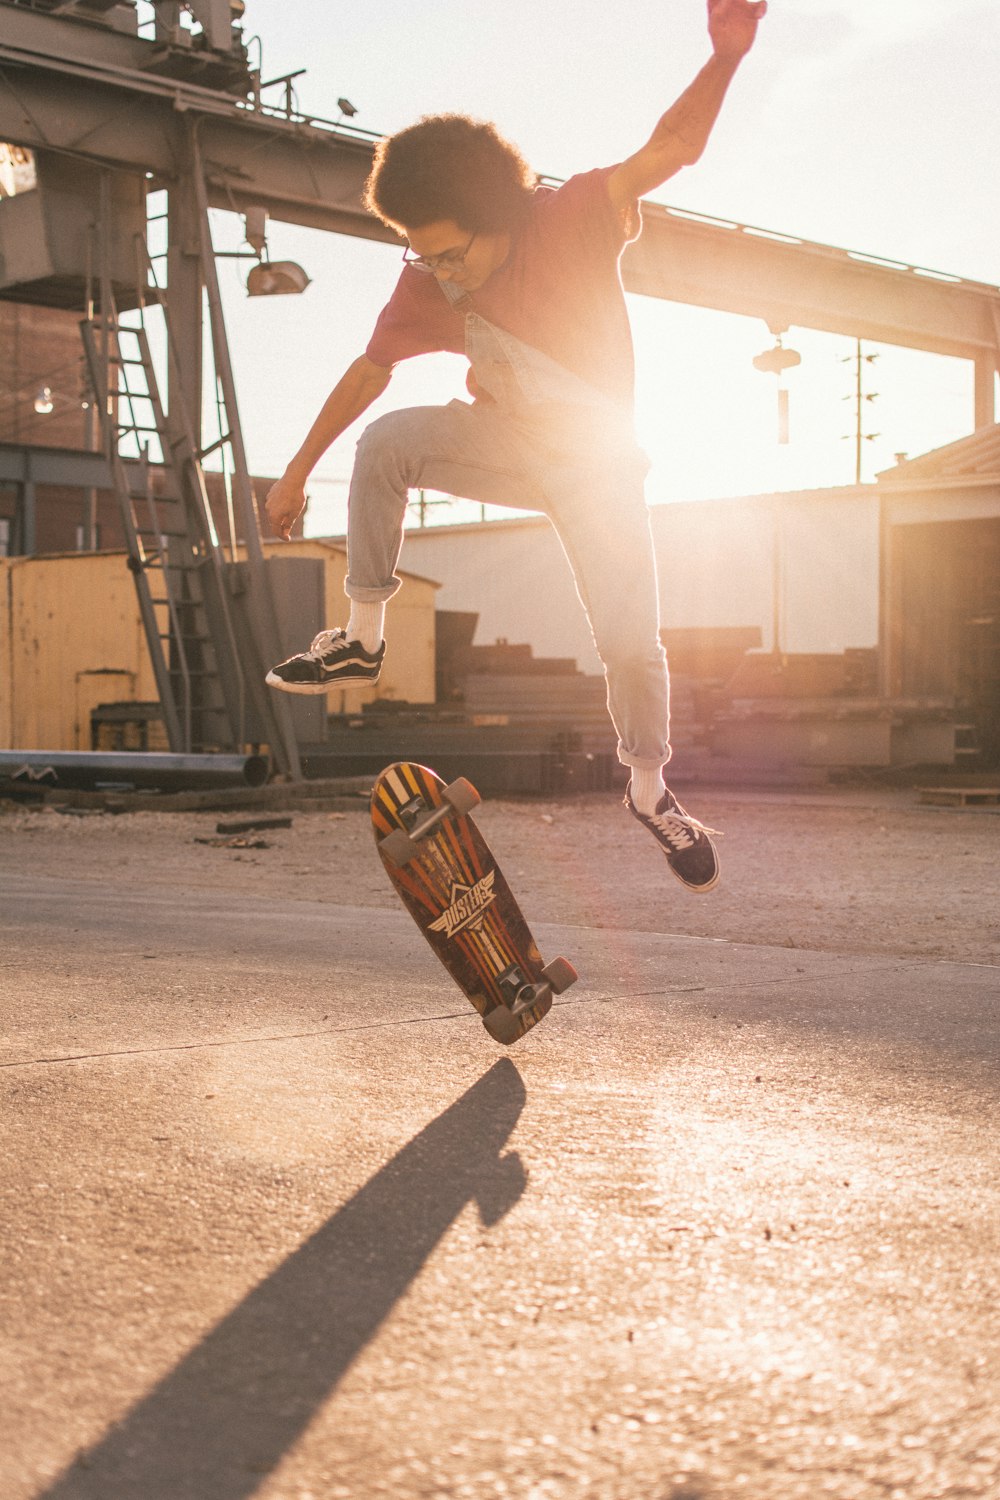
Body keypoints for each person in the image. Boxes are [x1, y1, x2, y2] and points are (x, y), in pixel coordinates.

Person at [265, 0, 767, 893]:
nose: (442, 274)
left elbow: (669, 151)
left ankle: (651, 792)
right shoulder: (424, 280)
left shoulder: (572, 213)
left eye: (454, 255)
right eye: (427, 260)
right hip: (502, 442)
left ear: (501, 213)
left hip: (600, 464)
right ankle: (362, 635)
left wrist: (724, 58)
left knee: (629, 645)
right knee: (388, 442)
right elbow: (367, 373)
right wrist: (298, 469)